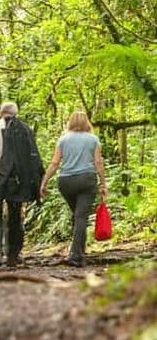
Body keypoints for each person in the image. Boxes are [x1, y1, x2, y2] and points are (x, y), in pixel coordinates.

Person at [39, 112, 108, 267]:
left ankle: (79, 252)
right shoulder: (93, 139)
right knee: (80, 217)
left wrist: (44, 181)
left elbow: (55, 163)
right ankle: (76, 255)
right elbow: (98, 162)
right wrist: (103, 183)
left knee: (77, 216)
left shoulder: (63, 139)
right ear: (87, 122)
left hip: (66, 182)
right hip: (86, 180)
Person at [0, 102, 43, 268]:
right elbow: (31, 156)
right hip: (15, 175)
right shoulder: (24, 129)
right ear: (16, 113)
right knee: (15, 213)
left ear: (0, 113)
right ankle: (13, 254)